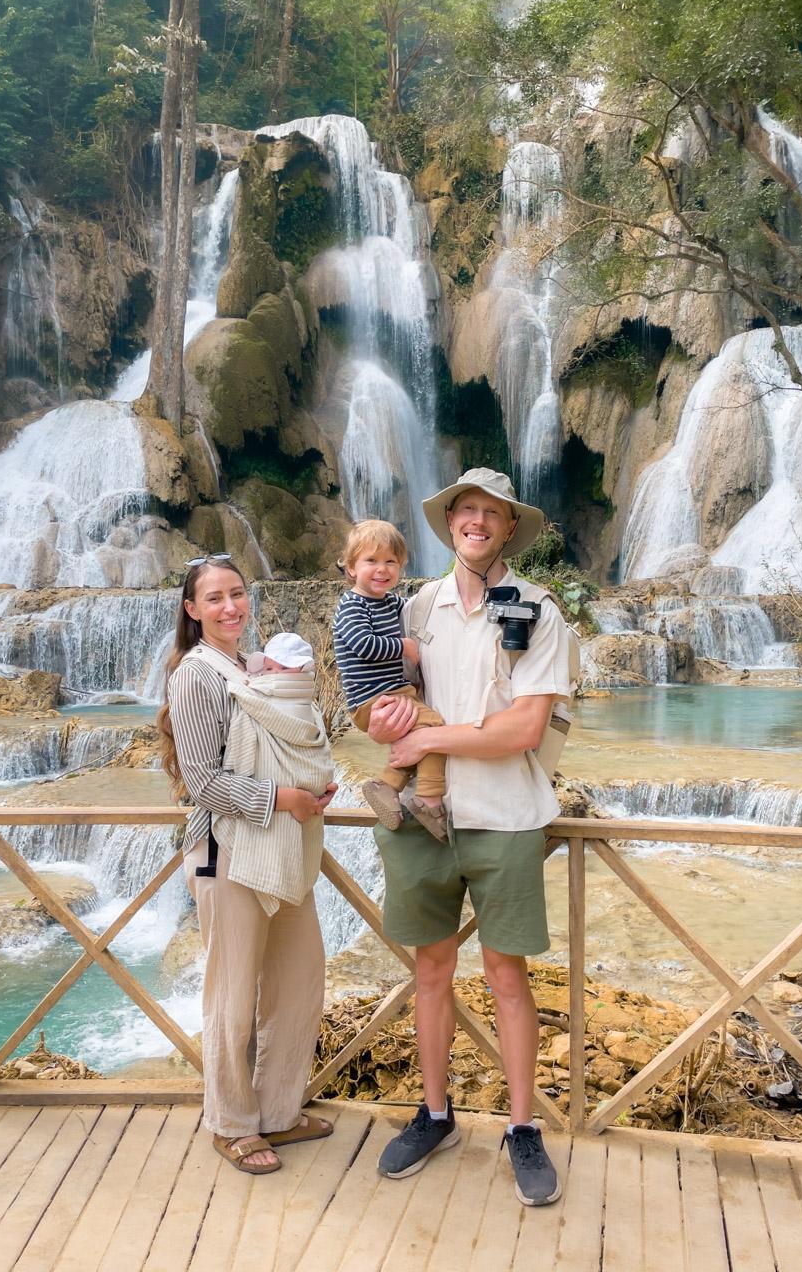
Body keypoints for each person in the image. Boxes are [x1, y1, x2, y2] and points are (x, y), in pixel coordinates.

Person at [365, 469, 579, 1207]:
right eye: (466, 511)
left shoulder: (538, 610)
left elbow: (523, 728)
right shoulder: (417, 605)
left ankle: (523, 1129)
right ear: (450, 521)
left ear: (508, 528)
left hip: (506, 817)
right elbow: (380, 701)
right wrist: (385, 726)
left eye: (492, 513)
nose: (477, 522)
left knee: (507, 978)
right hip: (426, 821)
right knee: (428, 973)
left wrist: (434, 742)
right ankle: (435, 1114)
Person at [158, 555, 338, 1175]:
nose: (230, 607)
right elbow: (202, 782)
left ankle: (278, 1112)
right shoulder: (197, 677)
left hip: (279, 845)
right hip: (220, 851)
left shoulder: (256, 667)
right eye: (215, 599)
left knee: (298, 981)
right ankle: (232, 1124)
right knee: (232, 992)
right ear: (192, 610)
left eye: (237, 594)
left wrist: (309, 787)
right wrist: (281, 799)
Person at [332, 519, 448, 840]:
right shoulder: (352, 606)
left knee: (419, 737)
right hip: (373, 700)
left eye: (390, 562)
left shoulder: (388, 602)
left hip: (391, 694)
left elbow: (416, 607)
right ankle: (428, 797)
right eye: (371, 561)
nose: (382, 569)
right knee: (435, 728)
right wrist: (404, 646)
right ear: (352, 567)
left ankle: (386, 786)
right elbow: (364, 646)